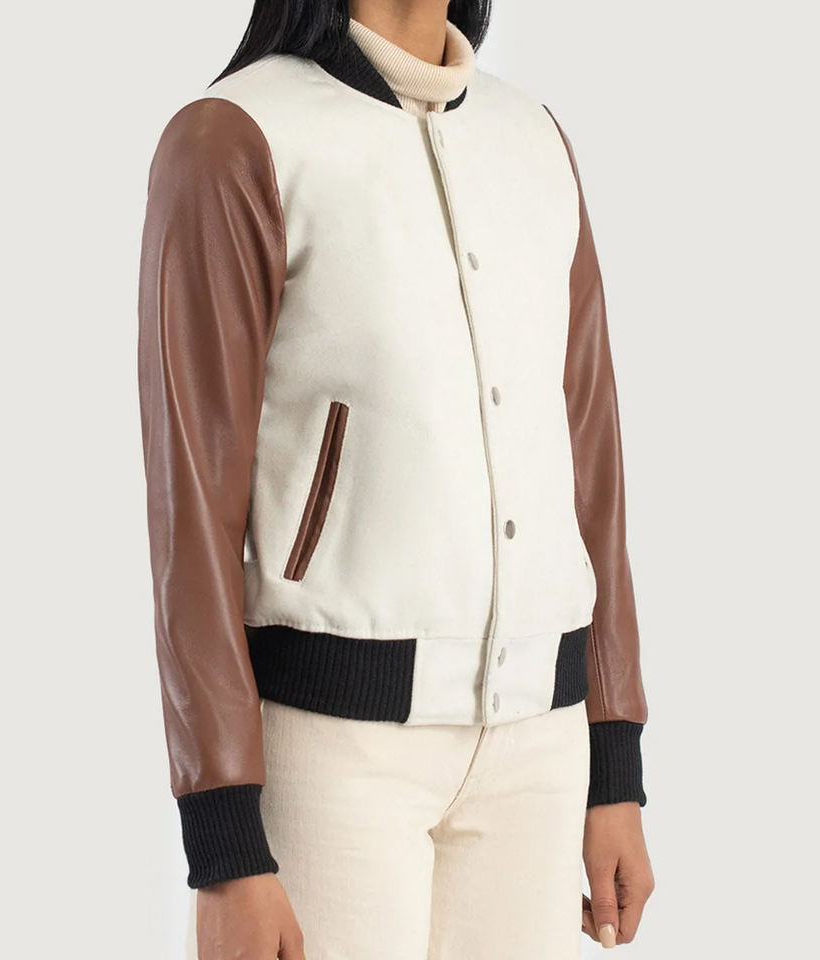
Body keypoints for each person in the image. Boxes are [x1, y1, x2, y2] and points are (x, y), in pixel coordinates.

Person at [136, 1, 655, 957]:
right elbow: (190, 516)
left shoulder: (534, 140)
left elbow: (590, 461)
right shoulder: (238, 137)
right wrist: (225, 845)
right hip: (335, 755)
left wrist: (613, 765)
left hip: (542, 749)